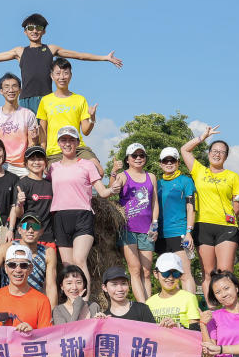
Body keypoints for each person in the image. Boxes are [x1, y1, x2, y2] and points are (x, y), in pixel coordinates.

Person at [0, 12, 122, 113]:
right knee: (29, 135)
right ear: (25, 32)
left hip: (47, 99)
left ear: (44, 31)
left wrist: (105, 58)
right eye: (30, 28)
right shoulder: (19, 52)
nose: (34, 31)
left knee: (45, 134)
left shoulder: (51, 49)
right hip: (26, 99)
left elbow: (80, 55)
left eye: (38, 28)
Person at [48, 126, 119, 293]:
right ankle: (71, 302)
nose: (67, 144)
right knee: (67, 265)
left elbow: (102, 192)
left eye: (71, 140)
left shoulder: (87, 165)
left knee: (79, 260)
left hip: (82, 215)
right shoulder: (52, 168)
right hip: (59, 216)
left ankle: (84, 301)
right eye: (64, 140)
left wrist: (112, 189)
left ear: (77, 143)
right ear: (58, 143)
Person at [180, 124, 239, 299]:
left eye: (221, 152)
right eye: (214, 150)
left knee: (224, 272)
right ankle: (213, 312)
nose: (217, 154)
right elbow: (184, 150)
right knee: (208, 273)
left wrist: (232, 215)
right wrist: (203, 136)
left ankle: (230, 311)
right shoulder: (199, 170)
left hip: (226, 227)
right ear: (208, 153)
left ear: (226, 156)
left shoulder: (233, 176)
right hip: (203, 225)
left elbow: (238, 203)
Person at [36, 59, 104, 174]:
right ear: (52, 76)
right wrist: (43, 154)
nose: (62, 77)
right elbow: (42, 131)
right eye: (58, 73)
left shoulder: (80, 99)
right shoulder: (45, 100)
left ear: (71, 76)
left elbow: (86, 131)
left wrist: (92, 118)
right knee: (58, 177)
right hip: (55, 151)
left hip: (78, 148)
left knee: (98, 171)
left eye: (65, 73)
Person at [111, 142, 160, 302]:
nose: (138, 158)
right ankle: (142, 306)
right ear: (128, 159)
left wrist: (155, 224)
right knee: (135, 269)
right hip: (128, 229)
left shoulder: (151, 176)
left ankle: (149, 305)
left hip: (147, 230)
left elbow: (154, 203)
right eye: (134, 155)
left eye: (141, 155)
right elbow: (112, 190)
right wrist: (114, 173)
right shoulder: (123, 175)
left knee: (146, 271)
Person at [0, 212, 58, 309]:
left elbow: (51, 287)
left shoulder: (48, 252)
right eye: (26, 226)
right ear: (19, 230)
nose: (30, 230)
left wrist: (51, 315)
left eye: (35, 226)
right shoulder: (6, 249)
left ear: (42, 231)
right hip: (8, 303)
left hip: (34, 305)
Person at [155, 146, 197, 293]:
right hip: (161, 236)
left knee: (184, 274)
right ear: (160, 163)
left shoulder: (185, 181)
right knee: (168, 277)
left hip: (180, 232)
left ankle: (191, 310)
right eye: (165, 160)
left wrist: (189, 232)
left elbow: (191, 207)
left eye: (172, 160)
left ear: (178, 162)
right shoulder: (157, 183)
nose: (169, 163)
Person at [13, 145, 55, 247]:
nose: (36, 162)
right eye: (32, 159)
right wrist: (19, 203)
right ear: (26, 163)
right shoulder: (21, 184)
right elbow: (18, 214)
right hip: (25, 236)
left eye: (40, 159)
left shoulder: (51, 184)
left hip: (46, 236)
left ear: (45, 162)